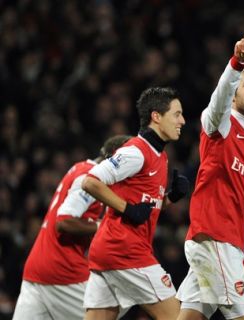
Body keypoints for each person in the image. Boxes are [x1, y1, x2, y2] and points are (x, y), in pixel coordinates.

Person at [175, 23, 244, 320]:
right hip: (214, 238)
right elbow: (220, 97)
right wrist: (237, 64)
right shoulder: (220, 123)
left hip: (227, 242)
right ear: (235, 91)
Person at [81, 87, 189, 320]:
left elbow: (144, 207)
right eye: (177, 114)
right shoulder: (136, 152)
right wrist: (127, 209)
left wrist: (170, 198)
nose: (183, 120)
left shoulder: (159, 155)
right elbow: (90, 182)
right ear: (156, 116)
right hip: (125, 251)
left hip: (107, 252)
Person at [12, 134, 131, 320]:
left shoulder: (79, 167)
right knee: (126, 295)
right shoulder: (92, 179)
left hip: (37, 269)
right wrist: (102, 226)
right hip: (62, 271)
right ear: (116, 159)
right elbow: (64, 221)